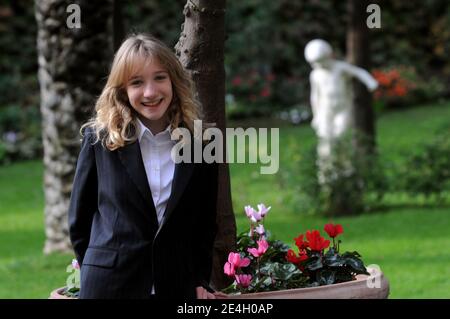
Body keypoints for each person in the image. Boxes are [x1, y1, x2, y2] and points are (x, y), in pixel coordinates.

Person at [68, 33, 219, 299]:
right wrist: (98, 268)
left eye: (160, 78)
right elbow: (79, 220)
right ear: (122, 90)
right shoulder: (100, 141)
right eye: (137, 82)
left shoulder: (203, 144)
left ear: (174, 80)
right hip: (109, 288)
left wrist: (199, 280)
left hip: (176, 287)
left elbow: (204, 225)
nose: (150, 92)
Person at [304, 39, 378, 183]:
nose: (318, 65)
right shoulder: (316, 75)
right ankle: (325, 171)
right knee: (326, 138)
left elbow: (358, 72)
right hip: (325, 110)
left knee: (341, 137)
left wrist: (371, 82)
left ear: (328, 56)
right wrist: (316, 115)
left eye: (321, 61)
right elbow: (315, 97)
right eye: (315, 63)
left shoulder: (339, 68)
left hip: (342, 108)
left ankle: (345, 168)